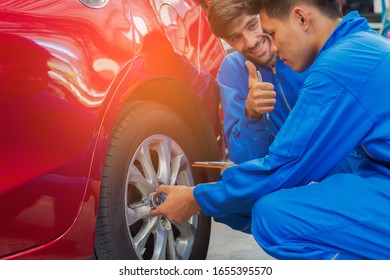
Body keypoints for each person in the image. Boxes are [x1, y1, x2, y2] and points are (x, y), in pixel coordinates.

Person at [152, 0, 390, 259]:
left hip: (335, 170)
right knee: (240, 206)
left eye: (270, 31)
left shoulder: (335, 66)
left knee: (271, 216)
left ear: (301, 18)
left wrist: (196, 198)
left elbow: (288, 163)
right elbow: (254, 161)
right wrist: (252, 117)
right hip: (366, 173)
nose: (268, 44)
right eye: (235, 37)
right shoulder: (359, 45)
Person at [203, 0, 307, 164]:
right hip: (285, 179)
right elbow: (243, 159)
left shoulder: (306, 44)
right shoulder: (232, 70)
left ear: (265, 14)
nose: (251, 42)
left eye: (252, 25)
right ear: (227, 42)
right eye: (236, 37)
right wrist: (252, 115)